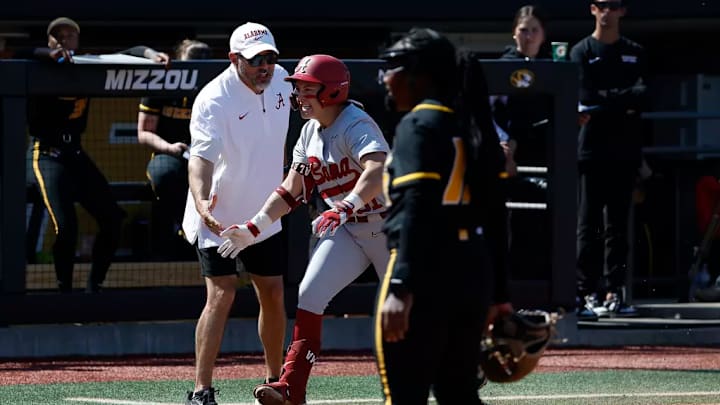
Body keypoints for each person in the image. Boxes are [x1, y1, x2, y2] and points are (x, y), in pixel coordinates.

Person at [218, 54, 390, 405]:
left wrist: (344, 206)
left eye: (306, 88)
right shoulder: (309, 132)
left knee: (411, 309)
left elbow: (377, 170)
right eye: (297, 88)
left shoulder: (356, 123)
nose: (298, 95)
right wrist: (254, 227)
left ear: (331, 91)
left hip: (391, 227)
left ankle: (464, 359)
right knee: (310, 296)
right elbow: (290, 189)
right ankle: (291, 387)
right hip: (347, 228)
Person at [375, 27, 514, 404]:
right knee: (459, 395)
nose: (386, 79)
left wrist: (402, 285)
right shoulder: (469, 124)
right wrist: (500, 293)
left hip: (425, 273)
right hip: (473, 271)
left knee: (405, 396)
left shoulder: (418, 124)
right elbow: (496, 213)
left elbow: (416, 206)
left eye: (393, 68)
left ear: (419, 74)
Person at [181, 22, 292, 405]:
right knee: (222, 294)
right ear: (234, 60)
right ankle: (201, 390)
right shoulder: (213, 98)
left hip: (265, 214)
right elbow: (200, 159)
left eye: (270, 58)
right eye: (255, 60)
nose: (265, 66)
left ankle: (276, 381)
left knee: (273, 293)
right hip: (220, 216)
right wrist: (200, 202)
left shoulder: (283, 81)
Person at [23, 17, 169, 293]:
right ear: (49, 40)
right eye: (58, 36)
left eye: (70, 35)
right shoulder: (37, 64)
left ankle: (94, 287)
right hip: (45, 153)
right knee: (66, 227)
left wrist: (151, 55)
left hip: (75, 152)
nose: (64, 40)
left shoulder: (86, 64)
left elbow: (128, 53)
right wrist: (49, 55)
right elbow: (21, 53)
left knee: (113, 218)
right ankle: (64, 291)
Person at [571, 0, 648, 318]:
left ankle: (615, 291)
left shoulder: (635, 51)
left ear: (622, 12)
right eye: (602, 5)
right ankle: (585, 292)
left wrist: (607, 101)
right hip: (591, 151)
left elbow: (642, 93)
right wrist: (620, 99)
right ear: (592, 9)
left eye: (613, 6)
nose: (607, 11)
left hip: (625, 152)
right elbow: (584, 95)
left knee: (618, 227)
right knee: (587, 225)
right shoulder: (581, 51)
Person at [491, 4, 555, 282]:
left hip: (548, 157)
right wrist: (506, 145)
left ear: (543, 35)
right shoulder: (502, 66)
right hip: (513, 162)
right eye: (523, 30)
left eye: (534, 30)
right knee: (517, 227)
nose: (528, 36)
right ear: (514, 33)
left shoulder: (553, 67)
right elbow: (491, 115)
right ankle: (516, 289)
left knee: (549, 228)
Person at [136, 39, 211, 260]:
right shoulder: (162, 84)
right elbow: (144, 133)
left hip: (208, 157)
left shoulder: (217, 88)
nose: (199, 66)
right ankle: (172, 243)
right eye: (193, 61)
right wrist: (169, 148)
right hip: (170, 154)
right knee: (164, 176)